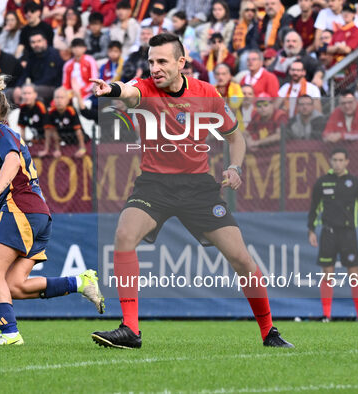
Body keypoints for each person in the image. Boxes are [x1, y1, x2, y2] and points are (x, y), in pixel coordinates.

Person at [88, 33, 293, 349]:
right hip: (154, 183)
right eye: (151, 61)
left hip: (198, 186)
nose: (155, 68)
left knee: (241, 258)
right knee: (124, 235)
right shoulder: (145, 88)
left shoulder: (206, 93)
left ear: (181, 62)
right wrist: (112, 88)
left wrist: (235, 168)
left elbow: (236, 138)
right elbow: (128, 92)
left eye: (162, 61)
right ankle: (130, 328)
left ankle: (269, 332)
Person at [0, 75, 104, 345]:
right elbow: (5, 184)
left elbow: (13, 162)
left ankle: (10, 334)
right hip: (35, 213)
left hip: (21, 208)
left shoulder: (1, 131)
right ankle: (80, 283)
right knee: (15, 285)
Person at [308, 147, 358, 322]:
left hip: (348, 234)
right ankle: (326, 315)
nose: (337, 163)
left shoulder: (355, 183)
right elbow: (313, 209)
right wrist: (311, 230)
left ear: (347, 162)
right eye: (334, 160)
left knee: (354, 273)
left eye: (340, 160)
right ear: (330, 161)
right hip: (328, 233)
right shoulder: (322, 182)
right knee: (327, 273)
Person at [40, 87, 88, 158]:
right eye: (57, 97)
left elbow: (78, 131)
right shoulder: (51, 112)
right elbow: (50, 132)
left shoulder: (71, 111)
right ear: (54, 100)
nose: (59, 100)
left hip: (78, 138)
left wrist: (82, 149)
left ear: (67, 100)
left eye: (62, 98)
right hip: (63, 139)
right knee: (52, 131)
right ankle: (57, 150)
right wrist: (49, 150)